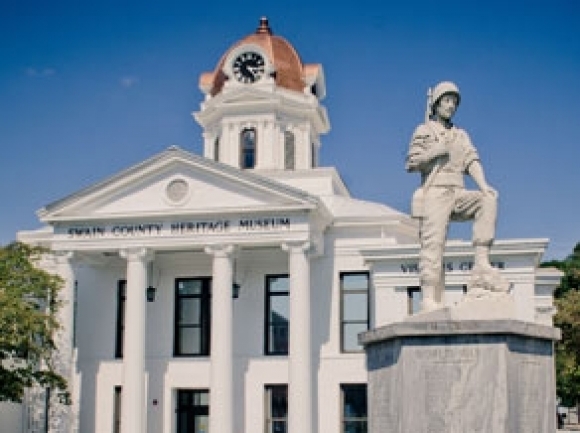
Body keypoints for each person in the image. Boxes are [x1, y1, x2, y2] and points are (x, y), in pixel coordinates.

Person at [406, 81, 509, 311]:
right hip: (436, 191)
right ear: (436, 104)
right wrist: (434, 151)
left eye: (454, 102)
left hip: (458, 190)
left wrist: (484, 185)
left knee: (487, 200)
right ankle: (429, 297)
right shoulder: (424, 131)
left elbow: (471, 160)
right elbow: (411, 162)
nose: (451, 106)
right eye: (446, 100)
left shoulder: (460, 135)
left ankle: (481, 263)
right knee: (433, 244)